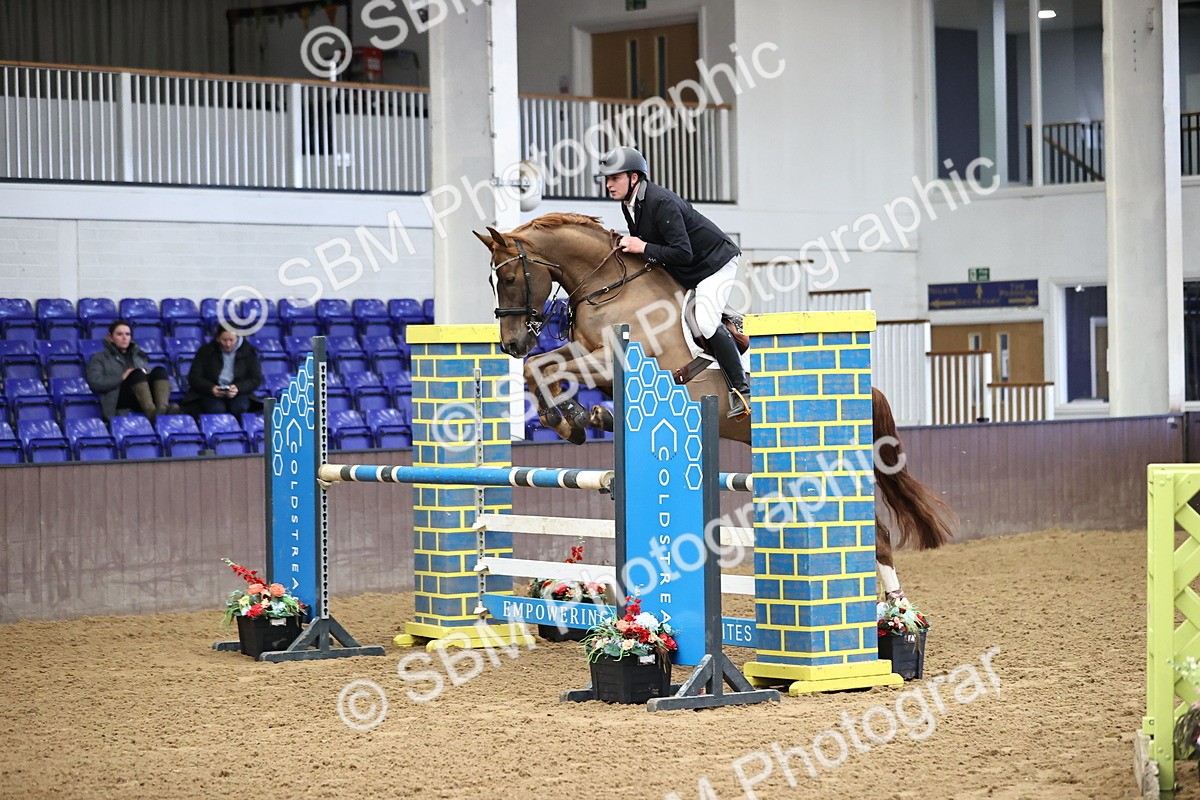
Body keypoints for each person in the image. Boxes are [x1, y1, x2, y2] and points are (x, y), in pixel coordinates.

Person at [596, 145, 750, 417]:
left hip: (714, 263)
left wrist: (643, 247)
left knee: (705, 322)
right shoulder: (629, 204)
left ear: (634, 177)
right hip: (688, 269)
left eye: (615, 178)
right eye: (607, 178)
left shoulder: (661, 201)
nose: (609, 184)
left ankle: (741, 390)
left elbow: (682, 251)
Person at [85, 319, 178, 421]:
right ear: (110, 338)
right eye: (119, 334)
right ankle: (153, 415)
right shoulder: (99, 358)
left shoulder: (139, 356)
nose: (124, 338)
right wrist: (122, 377)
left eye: (127, 334)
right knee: (136, 374)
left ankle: (162, 409)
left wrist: (146, 373)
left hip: (141, 397)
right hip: (118, 398)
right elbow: (95, 382)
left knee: (159, 370)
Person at [183, 326, 263, 416]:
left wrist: (238, 388)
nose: (228, 344)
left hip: (239, 393)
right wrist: (211, 388)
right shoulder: (205, 351)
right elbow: (194, 377)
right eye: (224, 340)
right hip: (209, 393)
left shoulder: (249, 352)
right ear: (218, 338)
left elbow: (256, 379)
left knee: (240, 407)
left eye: (231, 340)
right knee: (216, 409)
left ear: (237, 338)